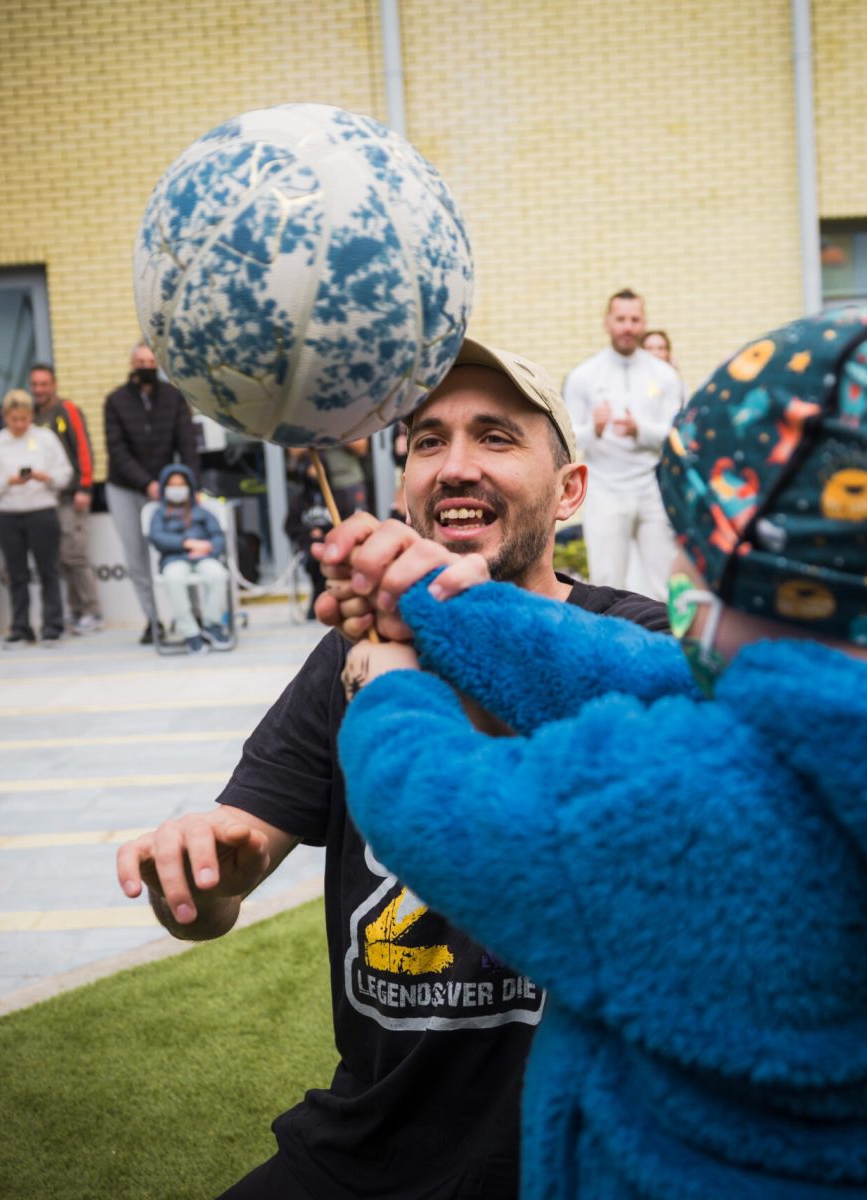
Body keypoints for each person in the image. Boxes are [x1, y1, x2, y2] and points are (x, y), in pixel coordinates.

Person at [333, 290, 867, 1199]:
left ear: (752, 562)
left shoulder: (685, 803)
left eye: (691, 539)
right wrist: (448, 608)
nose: (676, 568)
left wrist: (393, 688)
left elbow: (441, 809)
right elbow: (647, 672)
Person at [115, 339, 668, 1200]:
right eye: (426, 440)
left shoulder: (640, 644)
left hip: (585, 1160)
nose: (455, 465)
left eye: (495, 436)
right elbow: (220, 891)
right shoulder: (350, 652)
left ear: (570, 492)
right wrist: (201, 875)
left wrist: (447, 630)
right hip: (368, 1151)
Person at [563, 288, 684, 600]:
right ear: (607, 322)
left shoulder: (665, 375)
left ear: (644, 323)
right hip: (605, 488)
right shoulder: (584, 376)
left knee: (663, 580)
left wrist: (640, 429)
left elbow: (676, 433)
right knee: (607, 579)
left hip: (652, 487)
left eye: (634, 319)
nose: (627, 327)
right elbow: (568, 436)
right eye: (621, 319)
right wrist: (595, 429)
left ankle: (667, 631)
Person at [104, 343, 200, 644]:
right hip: (125, 487)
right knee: (136, 556)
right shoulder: (115, 401)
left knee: (182, 548)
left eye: (151, 361)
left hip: (169, 486)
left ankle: (193, 616)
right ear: (132, 364)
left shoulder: (173, 397)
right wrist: (147, 483)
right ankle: (153, 620)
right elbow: (117, 450)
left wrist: (189, 484)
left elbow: (187, 444)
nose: (146, 366)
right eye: (141, 361)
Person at [0, 388, 72, 647]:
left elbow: (65, 474)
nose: (19, 424)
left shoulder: (46, 438)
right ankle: (21, 628)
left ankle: (52, 626)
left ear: (31, 415)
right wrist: (8, 481)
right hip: (9, 515)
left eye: (24, 418)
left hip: (42, 511)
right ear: (5, 417)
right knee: (16, 574)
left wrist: (46, 477)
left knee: (48, 571)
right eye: (14, 419)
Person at [29, 363, 102, 635]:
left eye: (44, 384)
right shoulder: (32, 415)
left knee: (76, 555)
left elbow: (83, 447)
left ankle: (92, 611)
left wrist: (85, 487)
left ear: (54, 385)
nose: (39, 389)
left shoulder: (67, 410)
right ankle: (76, 610)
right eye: (35, 384)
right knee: (60, 558)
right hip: (46, 498)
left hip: (71, 495)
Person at [146, 462, 231, 654]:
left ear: (190, 486)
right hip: (173, 559)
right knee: (174, 579)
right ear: (164, 487)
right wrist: (185, 543)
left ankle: (212, 625)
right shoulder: (159, 514)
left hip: (204, 557)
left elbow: (218, 537)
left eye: (181, 484)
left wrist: (208, 548)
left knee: (217, 574)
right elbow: (157, 538)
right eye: (172, 485)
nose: (177, 489)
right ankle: (190, 632)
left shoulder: (203, 512)